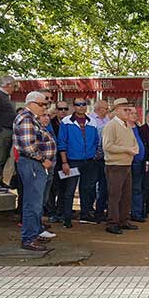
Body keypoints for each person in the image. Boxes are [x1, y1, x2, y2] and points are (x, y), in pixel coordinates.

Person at [13, 91, 58, 251]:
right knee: (32, 202)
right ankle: (29, 238)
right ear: (31, 103)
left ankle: (34, 232)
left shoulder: (31, 118)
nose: (44, 107)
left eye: (46, 104)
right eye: (42, 104)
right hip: (32, 164)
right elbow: (28, 146)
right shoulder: (26, 118)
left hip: (34, 164)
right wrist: (43, 159)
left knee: (35, 202)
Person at [57, 98, 100, 228]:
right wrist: (64, 162)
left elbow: (96, 140)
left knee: (87, 189)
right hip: (72, 161)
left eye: (83, 104)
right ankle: (67, 217)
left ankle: (85, 214)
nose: (81, 106)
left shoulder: (92, 121)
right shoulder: (66, 122)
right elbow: (62, 142)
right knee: (70, 190)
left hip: (89, 161)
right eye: (78, 104)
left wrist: (94, 154)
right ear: (74, 106)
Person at [101, 99, 139, 234]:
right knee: (115, 195)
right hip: (115, 165)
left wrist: (135, 148)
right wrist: (127, 150)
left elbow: (133, 142)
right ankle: (112, 222)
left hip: (126, 164)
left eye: (129, 109)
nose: (128, 112)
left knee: (126, 195)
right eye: (125, 109)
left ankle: (123, 220)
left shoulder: (127, 125)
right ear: (116, 110)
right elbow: (107, 146)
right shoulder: (111, 126)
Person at [90, 99, 110, 222]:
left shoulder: (108, 120)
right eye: (105, 108)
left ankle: (100, 210)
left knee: (103, 185)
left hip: (105, 158)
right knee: (91, 185)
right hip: (93, 158)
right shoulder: (90, 119)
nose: (107, 110)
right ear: (98, 109)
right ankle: (89, 210)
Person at [129, 109, 147, 222]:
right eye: (132, 113)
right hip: (127, 162)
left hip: (140, 162)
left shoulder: (139, 128)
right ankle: (126, 212)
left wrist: (146, 160)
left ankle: (137, 212)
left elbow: (145, 144)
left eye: (136, 113)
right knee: (126, 189)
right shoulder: (124, 128)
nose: (135, 115)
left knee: (138, 188)